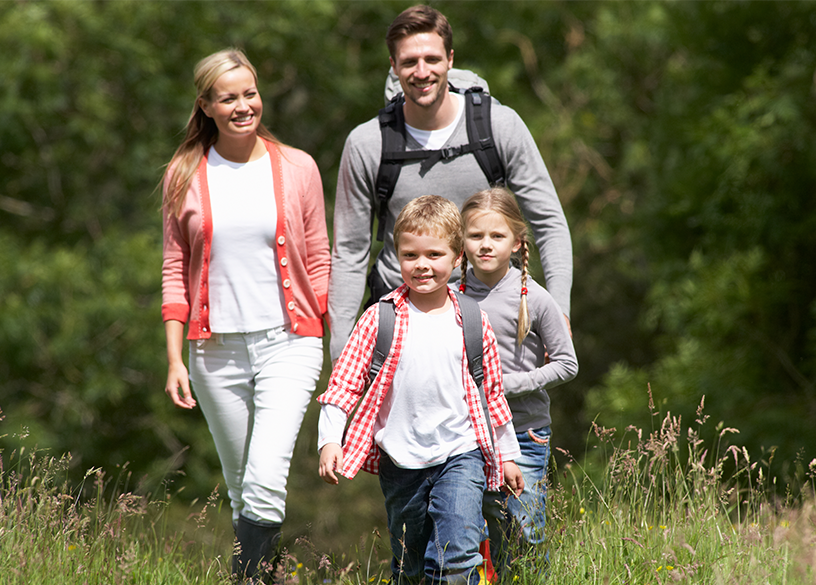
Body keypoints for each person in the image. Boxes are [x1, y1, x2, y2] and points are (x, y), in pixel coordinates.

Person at [160, 48, 330, 582]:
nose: (243, 106)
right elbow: (173, 267)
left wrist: (329, 331)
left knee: (263, 480)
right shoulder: (183, 173)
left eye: (250, 94)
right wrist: (174, 357)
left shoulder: (297, 166)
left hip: (290, 342)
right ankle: (267, 575)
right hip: (214, 353)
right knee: (240, 491)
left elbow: (321, 256)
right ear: (206, 105)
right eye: (228, 98)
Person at [328, 4, 573, 362]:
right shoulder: (368, 144)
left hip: (494, 317)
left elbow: (549, 222)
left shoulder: (499, 126)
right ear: (393, 67)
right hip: (404, 323)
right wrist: (341, 349)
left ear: (450, 60)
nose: (421, 72)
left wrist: (558, 311)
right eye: (409, 62)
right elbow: (349, 251)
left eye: (432, 59)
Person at [316, 195, 525, 584]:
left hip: (461, 453)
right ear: (397, 256)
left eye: (434, 254)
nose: (422, 265)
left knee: (458, 555)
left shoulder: (473, 320)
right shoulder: (380, 318)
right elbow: (343, 385)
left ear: (457, 257)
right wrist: (330, 439)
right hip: (401, 460)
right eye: (411, 255)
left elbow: (492, 395)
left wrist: (508, 455)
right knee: (410, 565)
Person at [458, 187, 578, 575]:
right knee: (463, 535)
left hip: (524, 432)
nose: (486, 245)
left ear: (517, 242)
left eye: (497, 236)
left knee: (522, 532)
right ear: (462, 241)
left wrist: (509, 383)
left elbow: (566, 364)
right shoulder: (449, 296)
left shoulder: (535, 297)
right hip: (463, 435)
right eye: (476, 236)